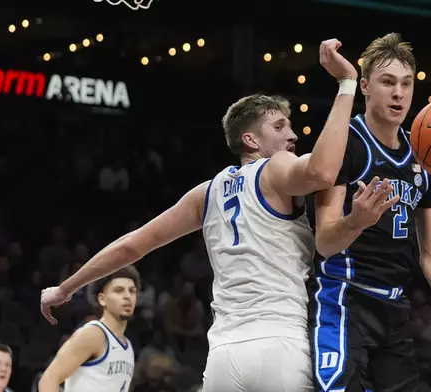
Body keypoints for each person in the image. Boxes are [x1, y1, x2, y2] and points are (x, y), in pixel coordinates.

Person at [40, 39, 379, 392]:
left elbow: (132, 247)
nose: (292, 135)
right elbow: (325, 172)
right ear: (250, 139)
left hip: (223, 356)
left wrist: (65, 288)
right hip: (280, 343)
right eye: (279, 127)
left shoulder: (207, 191)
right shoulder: (277, 167)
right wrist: (347, 85)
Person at [310, 32, 431, 392]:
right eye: (387, 82)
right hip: (344, 298)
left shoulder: (426, 156)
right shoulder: (347, 142)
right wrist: (356, 222)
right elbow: (324, 241)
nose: (399, 93)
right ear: (365, 86)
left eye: (406, 83)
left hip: (394, 308)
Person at [38, 267, 139, 392]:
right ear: (102, 299)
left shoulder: (127, 345)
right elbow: (49, 379)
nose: (127, 296)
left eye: (132, 291)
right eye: (119, 291)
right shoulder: (93, 334)